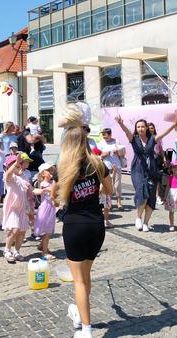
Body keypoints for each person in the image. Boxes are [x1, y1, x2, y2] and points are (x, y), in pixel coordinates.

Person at [58, 104, 113, 338]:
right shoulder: (98, 163)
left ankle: (86, 331)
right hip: (96, 225)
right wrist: (94, 185)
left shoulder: (62, 166)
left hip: (74, 226)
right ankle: (80, 315)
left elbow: (56, 195)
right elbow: (108, 190)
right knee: (86, 275)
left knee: (78, 281)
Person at [115, 115, 176, 232]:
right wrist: (121, 124)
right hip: (138, 169)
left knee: (151, 197)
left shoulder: (152, 139)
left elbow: (163, 134)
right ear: (136, 128)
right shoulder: (134, 139)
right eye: (138, 127)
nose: (141, 128)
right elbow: (127, 132)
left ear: (146, 128)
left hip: (152, 169)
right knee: (141, 190)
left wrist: (173, 125)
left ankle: (146, 223)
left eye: (143, 126)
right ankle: (138, 217)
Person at [2, 153, 34, 263]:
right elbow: (8, 174)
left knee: (22, 231)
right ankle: (7, 250)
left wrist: (44, 191)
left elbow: (31, 190)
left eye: (19, 163)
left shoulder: (24, 177)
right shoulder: (9, 176)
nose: (18, 165)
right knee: (14, 230)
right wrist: (15, 164)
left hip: (22, 206)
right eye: (15, 164)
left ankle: (16, 251)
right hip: (12, 207)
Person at [97, 128, 124, 211]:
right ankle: (107, 203)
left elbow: (122, 153)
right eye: (103, 134)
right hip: (105, 167)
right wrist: (104, 154)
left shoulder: (116, 141)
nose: (103, 136)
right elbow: (97, 154)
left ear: (110, 134)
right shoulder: (101, 142)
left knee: (117, 185)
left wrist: (118, 152)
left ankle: (119, 202)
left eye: (105, 134)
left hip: (116, 165)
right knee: (105, 186)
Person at [33, 162, 56, 259]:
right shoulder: (43, 184)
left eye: (51, 170)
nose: (51, 172)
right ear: (42, 173)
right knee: (47, 232)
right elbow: (50, 190)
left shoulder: (51, 182)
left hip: (50, 208)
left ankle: (42, 246)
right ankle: (44, 253)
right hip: (45, 209)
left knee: (49, 231)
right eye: (48, 170)